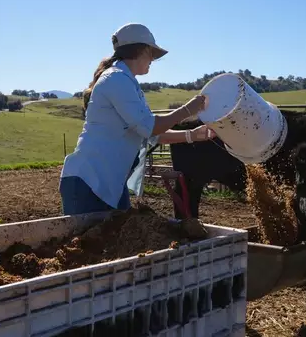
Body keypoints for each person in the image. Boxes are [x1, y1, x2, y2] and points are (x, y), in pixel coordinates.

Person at [59, 23, 216, 215]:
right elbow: (150, 127)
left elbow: (151, 133)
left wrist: (192, 135)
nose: (152, 60)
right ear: (140, 50)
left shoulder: (126, 82)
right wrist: (188, 109)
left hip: (109, 184)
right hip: (89, 183)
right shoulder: (116, 79)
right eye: (151, 53)